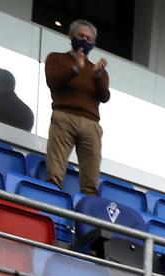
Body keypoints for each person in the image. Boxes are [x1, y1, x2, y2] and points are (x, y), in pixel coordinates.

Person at [42, 21, 109, 196]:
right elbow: (52, 81)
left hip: (91, 124)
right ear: (71, 37)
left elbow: (104, 97)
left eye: (89, 38)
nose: (85, 40)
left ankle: (89, 213)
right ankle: (52, 201)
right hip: (64, 117)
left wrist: (97, 76)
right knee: (55, 172)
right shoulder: (56, 58)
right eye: (81, 36)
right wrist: (75, 69)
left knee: (91, 179)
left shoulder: (97, 70)